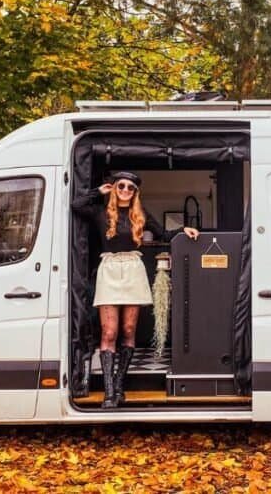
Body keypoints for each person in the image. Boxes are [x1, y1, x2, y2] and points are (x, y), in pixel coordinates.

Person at [72, 171, 199, 408]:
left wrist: (184, 230)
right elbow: (76, 205)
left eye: (130, 188)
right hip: (109, 269)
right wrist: (98, 191)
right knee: (109, 332)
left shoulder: (139, 215)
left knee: (129, 329)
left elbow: (164, 234)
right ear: (114, 188)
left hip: (133, 269)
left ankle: (120, 387)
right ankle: (109, 393)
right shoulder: (100, 212)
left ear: (135, 193)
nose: (125, 191)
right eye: (121, 186)